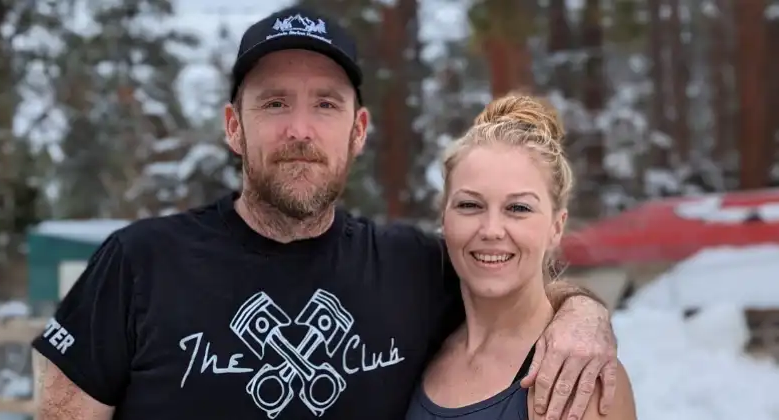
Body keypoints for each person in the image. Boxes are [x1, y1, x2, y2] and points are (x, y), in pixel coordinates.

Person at [31, 6, 617, 420]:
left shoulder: (411, 267)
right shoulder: (140, 263)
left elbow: (508, 280)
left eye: (326, 105)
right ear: (234, 126)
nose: (300, 130)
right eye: (274, 103)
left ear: (357, 131)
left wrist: (584, 314)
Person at [404, 94, 636, 420]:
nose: (491, 230)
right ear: (444, 217)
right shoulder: (416, 344)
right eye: (469, 205)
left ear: (556, 227)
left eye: (518, 208)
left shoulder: (577, 380)